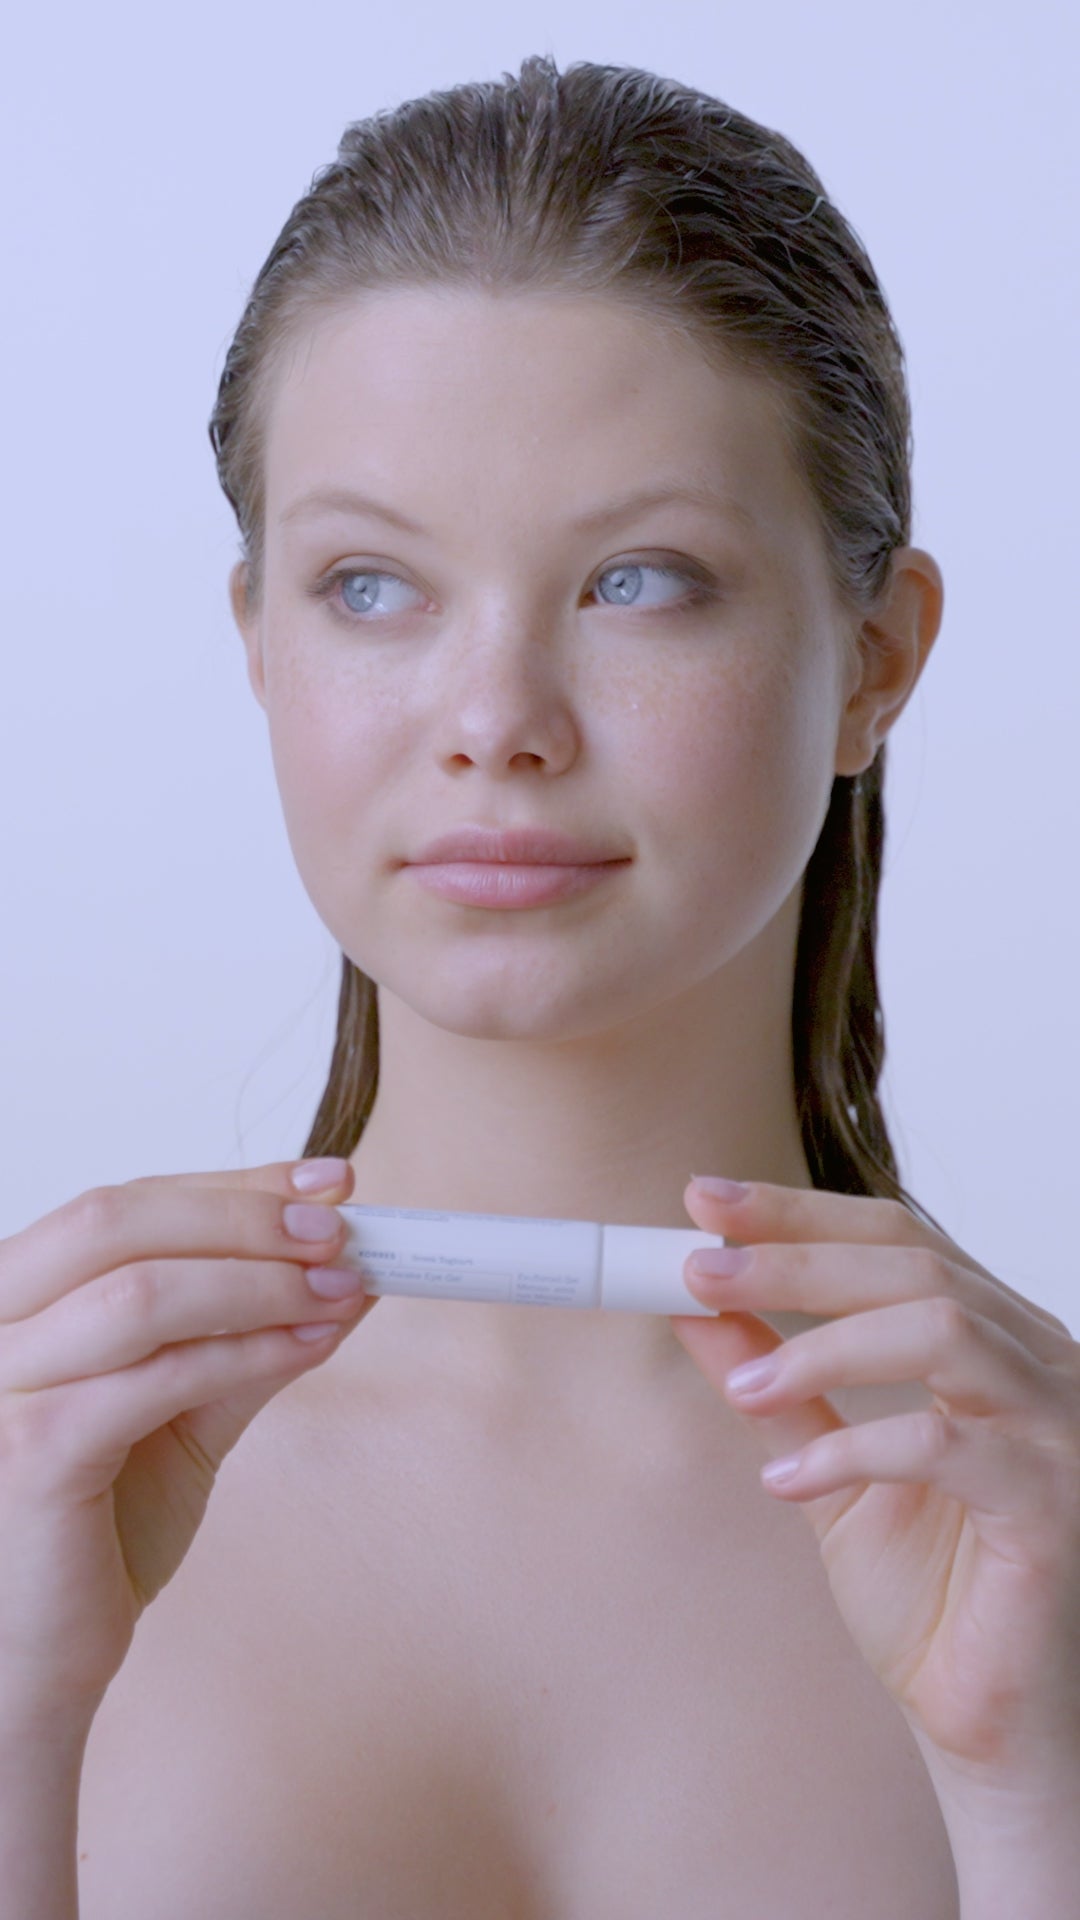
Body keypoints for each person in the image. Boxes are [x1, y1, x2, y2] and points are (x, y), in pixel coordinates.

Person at [4, 54, 1078, 1920]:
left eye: (638, 580)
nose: (495, 720)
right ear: (256, 642)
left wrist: (1043, 1792)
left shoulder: (1038, 1526)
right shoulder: (44, 1487)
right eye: (370, 586)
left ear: (876, 660)